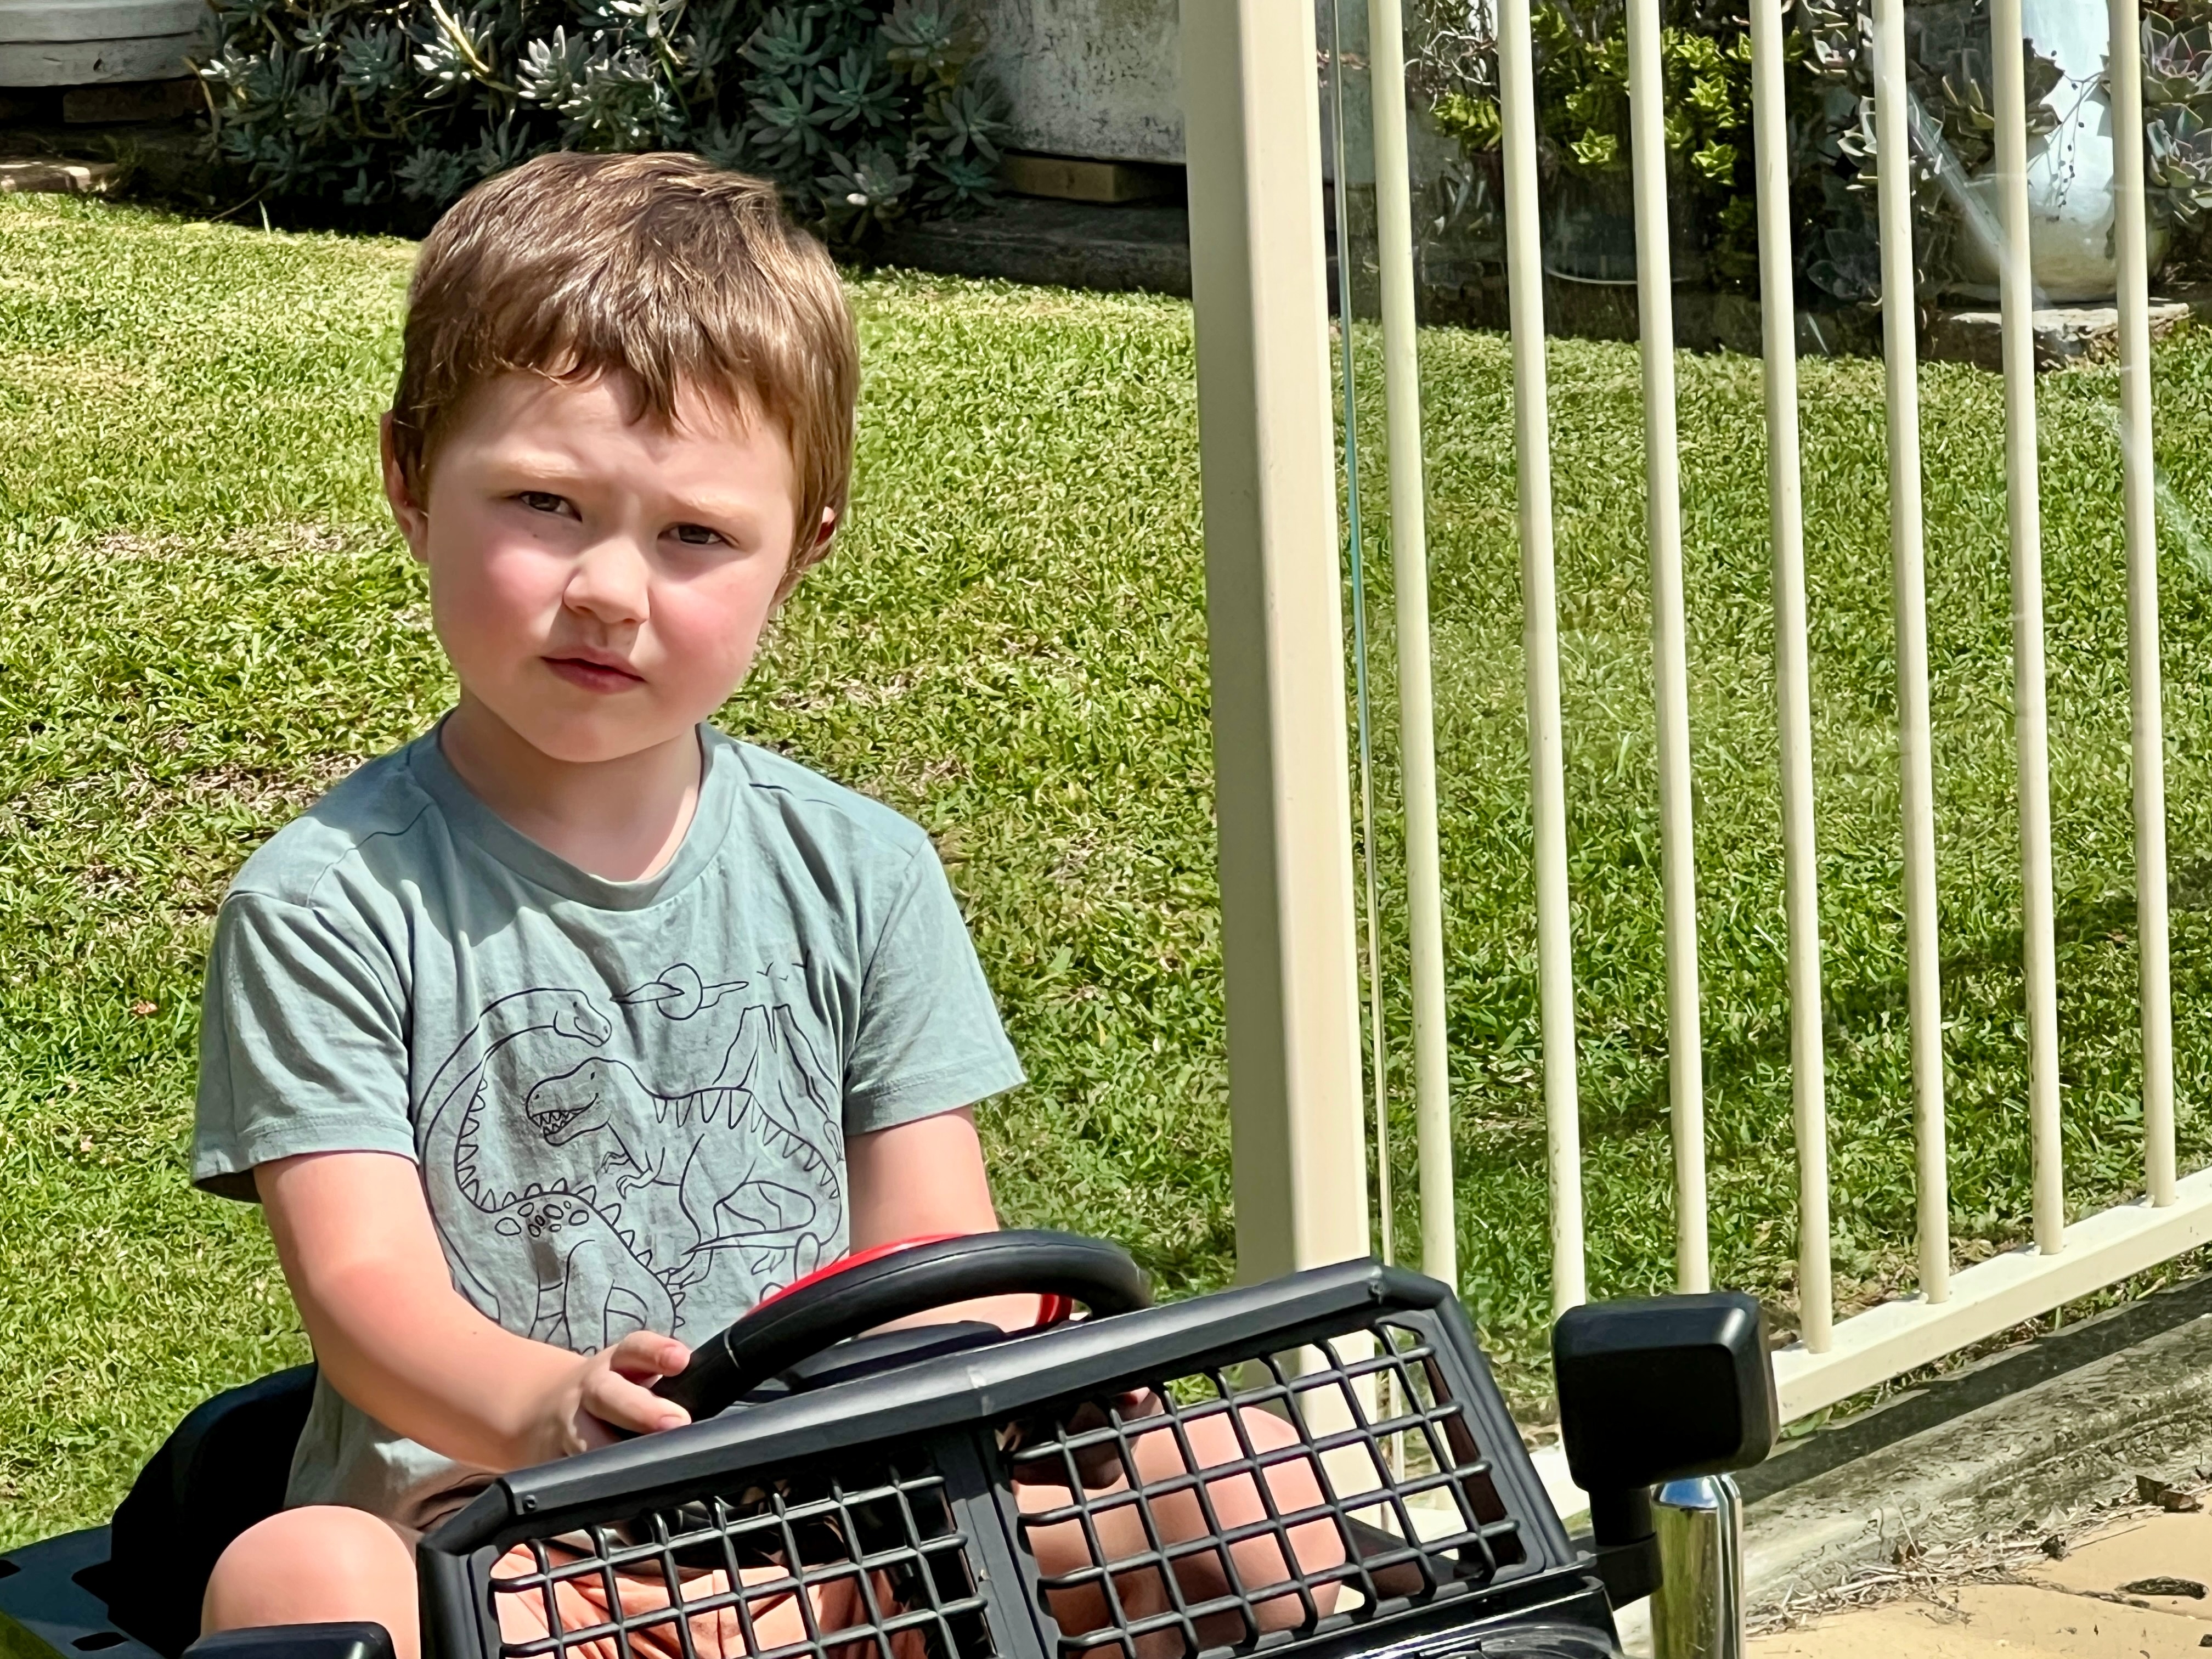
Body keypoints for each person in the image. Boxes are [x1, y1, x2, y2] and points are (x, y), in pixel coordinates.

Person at [189, 153, 1341, 1659]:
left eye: (693, 536)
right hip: (510, 1551)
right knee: (292, 1578)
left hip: (854, 1534)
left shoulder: (861, 870)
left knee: (1257, 1492)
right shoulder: (331, 904)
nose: (610, 588)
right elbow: (363, 1287)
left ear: (800, 550)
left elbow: (938, 1246)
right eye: (546, 503)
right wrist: (544, 1407)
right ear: (410, 479)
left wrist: (1006, 1376)